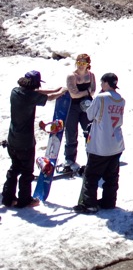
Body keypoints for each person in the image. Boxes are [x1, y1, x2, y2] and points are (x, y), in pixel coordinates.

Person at [4, 71, 67, 208]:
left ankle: (8, 198)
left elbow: (37, 92)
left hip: (12, 139)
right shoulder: (30, 97)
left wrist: (55, 89)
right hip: (25, 142)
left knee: (14, 169)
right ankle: (24, 200)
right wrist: (61, 92)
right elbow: (49, 98)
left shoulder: (15, 91)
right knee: (27, 172)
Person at [72, 73, 125, 213]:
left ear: (106, 83)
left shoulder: (101, 98)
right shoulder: (121, 99)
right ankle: (109, 201)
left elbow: (90, 115)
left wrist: (87, 107)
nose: (101, 85)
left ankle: (89, 204)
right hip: (116, 142)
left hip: (101, 143)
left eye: (102, 83)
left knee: (91, 175)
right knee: (111, 176)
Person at [60, 54, 96, 175]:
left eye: (83, 63)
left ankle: (91, 157)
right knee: (71, 132)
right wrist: (86, 92)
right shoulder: (72, 76)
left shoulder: (91, 75)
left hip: (86, 106)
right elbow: (73, 94)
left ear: (87, 64)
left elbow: (93, 90)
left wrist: (85, 93)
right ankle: (69, 159)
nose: (81, 66)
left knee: (89, 131)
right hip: (72, 107)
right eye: (79, 63)